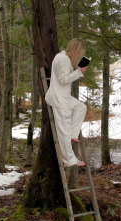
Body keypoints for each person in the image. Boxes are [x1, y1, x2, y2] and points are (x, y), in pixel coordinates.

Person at [45, 38, 88, 167]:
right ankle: (69, 160)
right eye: (79, 53)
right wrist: (79, 72)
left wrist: (78, 70)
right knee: (63, 131)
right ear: (75, 50)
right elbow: (63, 80)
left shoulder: (64, 57)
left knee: (81, 107)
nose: (79, 56)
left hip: (64, 96)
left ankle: (72, 134)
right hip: (59, 99)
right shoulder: (63, 59)